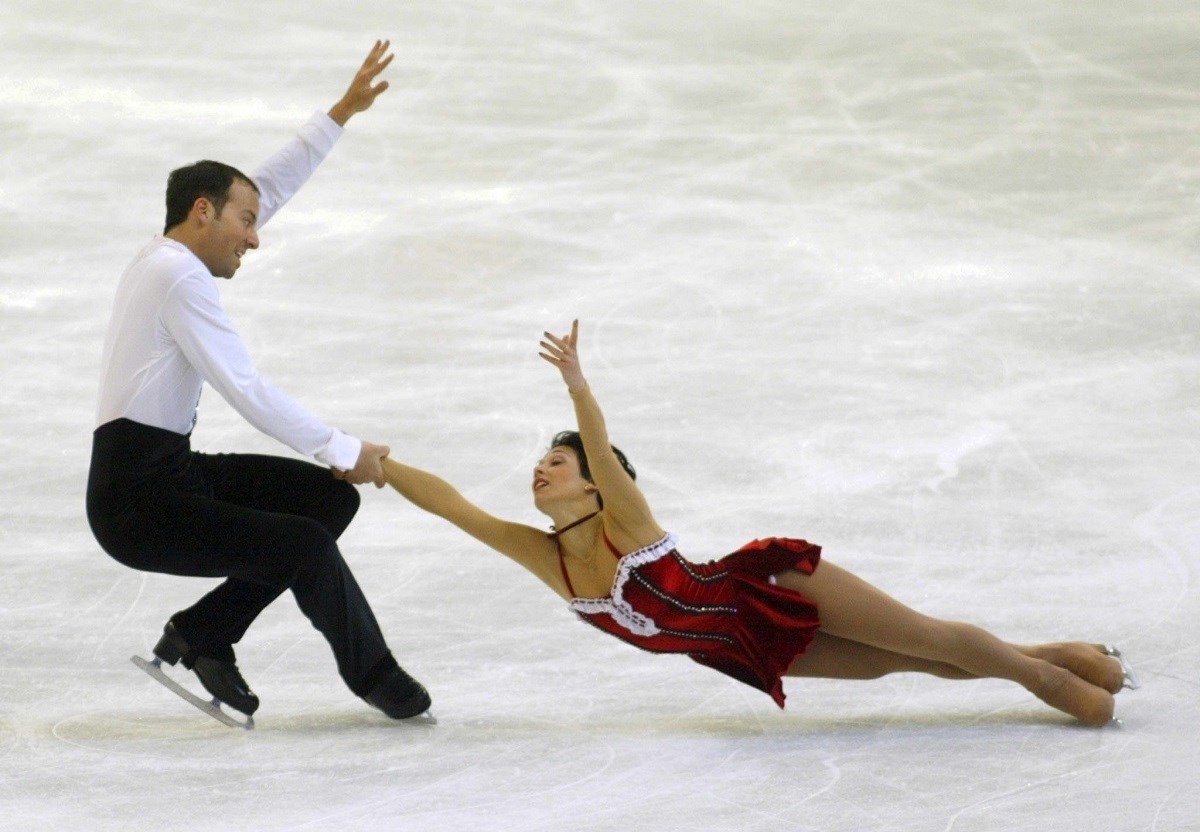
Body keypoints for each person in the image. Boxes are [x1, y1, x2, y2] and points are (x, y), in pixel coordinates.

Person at [379, 321, 1134, 727]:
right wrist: (371, 463)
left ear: (596, 486)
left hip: (766, 587)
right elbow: (457, 509)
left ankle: (1040, 676)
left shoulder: (625, 522)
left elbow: (602, 451)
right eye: (541, 461)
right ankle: (1056, 652)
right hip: (739, 644)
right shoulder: (549, 560)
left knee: (923, 636)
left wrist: (578, 387)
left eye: (558, 462)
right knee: (902, 661)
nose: (542, 470)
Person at [86, 41, 430, 722]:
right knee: (302, 542)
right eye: (245, 222)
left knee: (321, 504)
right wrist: (341, 448)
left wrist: (338, 115)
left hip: (169, 473)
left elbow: (262, 190)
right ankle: (376, 675)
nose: (256, 237)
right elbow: (245, 389)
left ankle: (206, 633)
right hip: (137, 502)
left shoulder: (169, 259)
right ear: (203, 212)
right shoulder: (177, 276)